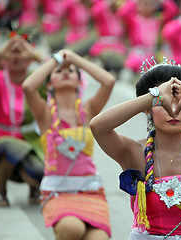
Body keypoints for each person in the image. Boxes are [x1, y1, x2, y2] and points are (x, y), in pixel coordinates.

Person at [90, 57, 181, 239]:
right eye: (164, 103)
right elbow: (98, 126)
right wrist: (153, 96)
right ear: (147, 108)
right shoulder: (133, 152)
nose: (173, 110)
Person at [22, 49, 115, 240]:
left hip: (91, 191)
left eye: (71, 71)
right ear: (49, 84)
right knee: (72, 229)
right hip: (58, 193)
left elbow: (109, 81)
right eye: (58, 70)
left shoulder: (89, 110)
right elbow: (28, 87)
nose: (65, 71)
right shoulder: (45, 114)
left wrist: (74, 58)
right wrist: (56, 58)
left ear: (80, 82)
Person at [0, 35, 44, 207]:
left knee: (41, 167)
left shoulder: (37, 80)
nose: (16, 56)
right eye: (11, 53)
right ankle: (1, 191)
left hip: (31, 141)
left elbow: (56, 72)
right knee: (6, 145)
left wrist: (33, 53)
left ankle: (35, 188)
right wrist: (3, 50)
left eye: (21, 52)